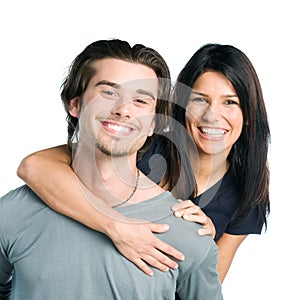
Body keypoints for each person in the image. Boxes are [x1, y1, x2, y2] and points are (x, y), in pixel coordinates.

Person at [17, 43, 270, 283]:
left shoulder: (248, 195)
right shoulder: (142, 146)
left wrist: (203, 243)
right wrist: (116, 228)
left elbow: (206, 285)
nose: (211, 116)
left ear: (248, 115)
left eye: (230, 102)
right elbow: (35, 166)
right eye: (199, 100)